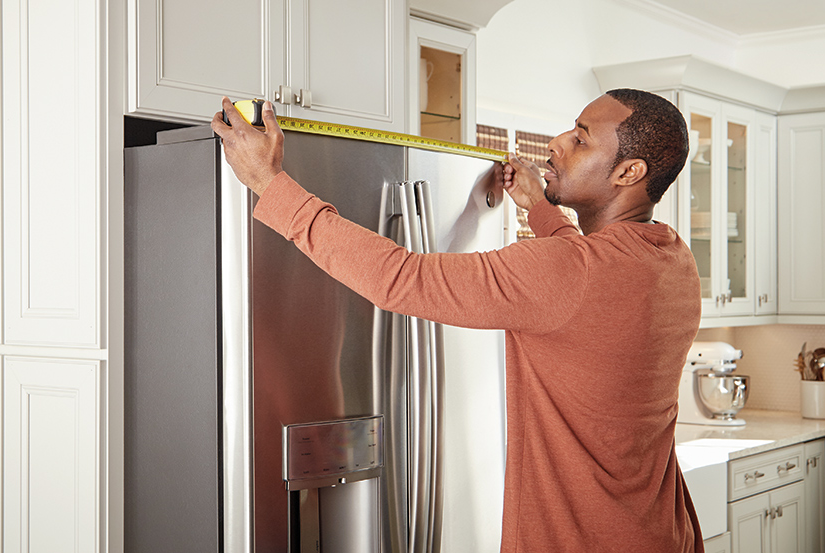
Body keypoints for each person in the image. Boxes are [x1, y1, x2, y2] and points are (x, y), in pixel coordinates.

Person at [212, 89, 704, 553]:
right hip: (659, 531)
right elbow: (581, 275)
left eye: (580, 138)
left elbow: (398, 277)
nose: (557, 142)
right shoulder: (672, 259)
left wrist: (268, 184)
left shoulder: (570, 273)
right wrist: (540, 208)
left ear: (629, 172)